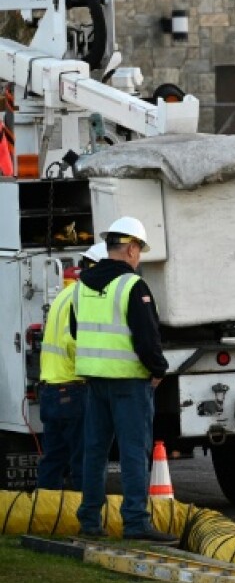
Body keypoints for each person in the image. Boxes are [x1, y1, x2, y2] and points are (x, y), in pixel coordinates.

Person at [74, 217, 175, 543]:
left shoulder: (81, 285)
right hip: (129, 383)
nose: (139, 258)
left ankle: (90, 520)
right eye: (139, 251)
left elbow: (77, 332)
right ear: (131, 248)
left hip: (94, 381)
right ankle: (135, 522)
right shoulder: (132, 286)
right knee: (133, 452)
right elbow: (148, 338)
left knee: (94, 452)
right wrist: (158, 370)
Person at [36, 242, 106, 490]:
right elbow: (73, 341)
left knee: (53, 459)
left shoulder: (65, 294)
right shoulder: (83, 297)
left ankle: (44, 515)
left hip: (52, 389)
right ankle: (85, 517)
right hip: (73, 389)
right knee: (83, 459)